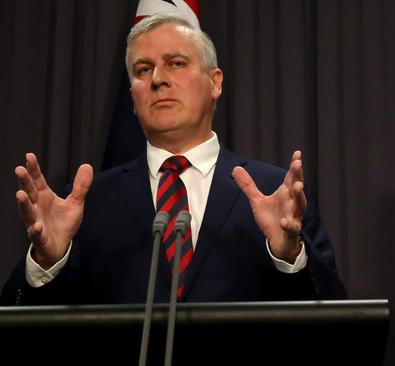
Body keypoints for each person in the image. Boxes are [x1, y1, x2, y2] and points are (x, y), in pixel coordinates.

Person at [1, 12, 346, 305]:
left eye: (176, 63)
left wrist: (290, 256)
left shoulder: (273, 191)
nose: (158, 79)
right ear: (132, 97)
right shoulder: (88, 202)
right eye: (142, 70)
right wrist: (48, 261)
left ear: (215, 82)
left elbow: (336, 318)